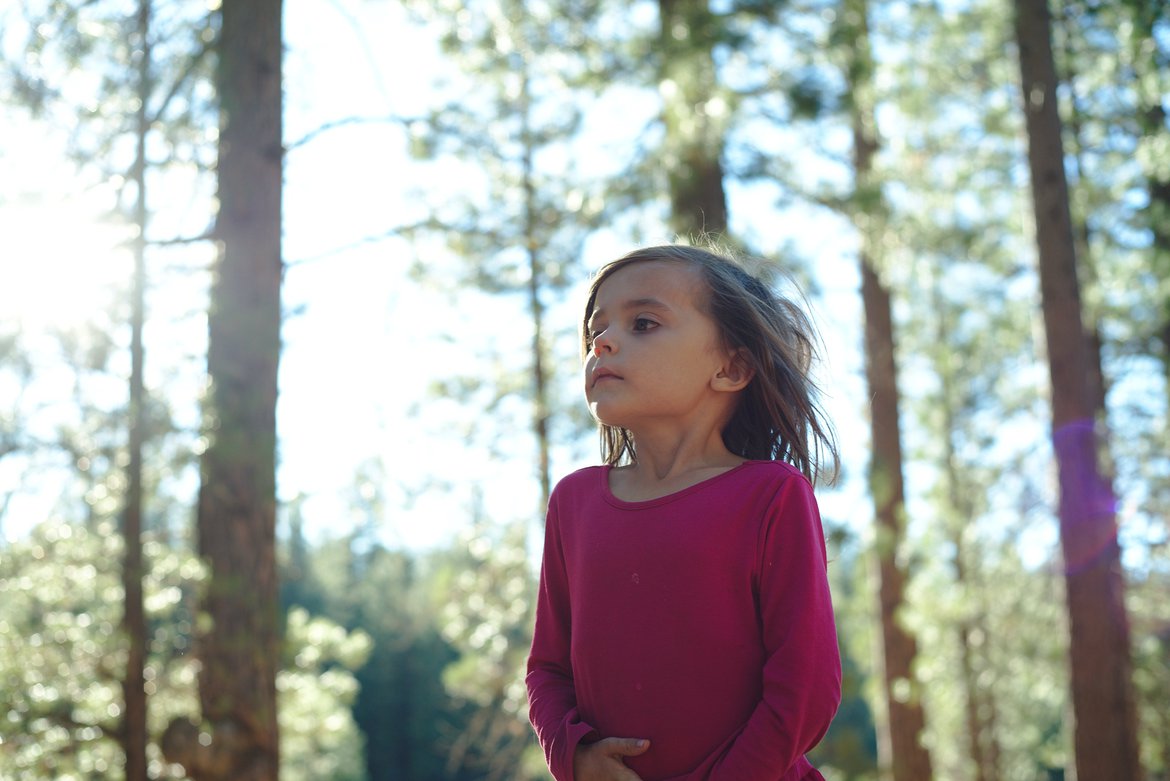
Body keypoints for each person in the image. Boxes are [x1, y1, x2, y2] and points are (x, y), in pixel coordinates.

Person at [526, 244, 842, 781]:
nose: (601, 342)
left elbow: (806, 687)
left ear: (732, 367)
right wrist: (574, 756)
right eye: (595, 331)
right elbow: (547, 671)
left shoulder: (771, 496)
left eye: (643, 323)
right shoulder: (573, 503)